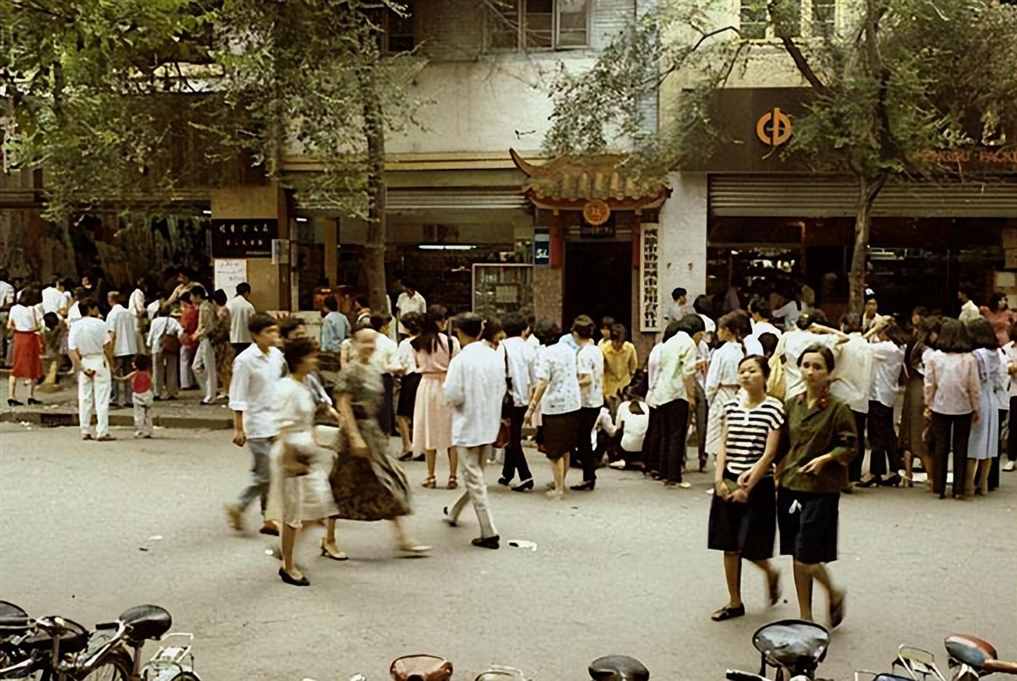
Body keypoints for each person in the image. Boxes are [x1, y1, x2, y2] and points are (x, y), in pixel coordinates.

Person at [329, 324, 430, 558]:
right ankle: (328, 539)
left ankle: (403, 538)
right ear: (354, 344)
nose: (369, 346)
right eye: (364, 341)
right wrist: (354, 436)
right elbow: (343, 404)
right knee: (340, 487)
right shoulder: (350, 371)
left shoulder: (373, 368)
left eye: (372, 341)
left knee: (389, 481)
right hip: (354, 435)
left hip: (372, 433)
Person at [778, 344, 854, 627]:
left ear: (829, 373)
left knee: (806, 556)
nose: (810, 372)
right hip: (790, 485)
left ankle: (832, 592)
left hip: (821, 489)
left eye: (818, 367)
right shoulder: (791, 405)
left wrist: (826, 459)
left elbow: (850, 446)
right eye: (806, 365)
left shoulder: (838, 409)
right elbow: (781, 446)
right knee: (796, 554)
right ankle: (805, 615)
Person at [708, 355, 784, 622]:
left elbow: (769, 453)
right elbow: (723, 445)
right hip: (730, 479)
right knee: (728, 544)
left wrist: (748, 487)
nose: (746, 375)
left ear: (765, 376)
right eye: (742, 371)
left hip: (759, 484)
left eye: (752, 371)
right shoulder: (730, 406)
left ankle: (770, 572)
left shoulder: (774, 409)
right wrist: (719, 479)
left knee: (752, 546)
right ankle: (734, 601)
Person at [264, 336, 341, 587]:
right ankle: (288, 565)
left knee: (318, 506)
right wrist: (290, 461)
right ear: (299, 360)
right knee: (292, 513)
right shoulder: (286, 388)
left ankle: (287, 547)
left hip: (306, 451)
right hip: (291, 453)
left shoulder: (303, 384)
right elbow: (283, 427)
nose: (315, 360)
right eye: (311, 356)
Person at [442, 313, 506, 549]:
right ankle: (455, 512)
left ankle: (489, 530)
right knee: (476, 475)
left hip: (467, 423)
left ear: (459, 332)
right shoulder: (495, 356)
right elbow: (501, 388)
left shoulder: (460, 360)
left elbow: (453, 394)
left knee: (474, 477)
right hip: (489, 422)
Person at [225, 313, 286, 535]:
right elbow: (238, 395)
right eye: (268, 332)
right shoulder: (245, 360)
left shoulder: (277, 356)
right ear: (255, 335)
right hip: (257, 424)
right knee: (267, 473)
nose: (273, 335)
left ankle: (269, 517)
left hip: (276, 421)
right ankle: (239, 506)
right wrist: (238, 428)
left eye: (275, 331)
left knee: (272, 471)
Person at [924, 319, 980, 499]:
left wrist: (929, 404)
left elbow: (929, 383)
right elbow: (974, 386)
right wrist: (976, 408)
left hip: (940, 405)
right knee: (961, 447)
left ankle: (939, 487)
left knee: (941, 446)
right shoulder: (969, 359)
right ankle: (958, 489)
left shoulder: (935, 357)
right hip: (963, 406)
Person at [525, 320, 581, 499]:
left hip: (555, 405)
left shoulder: (545, 354)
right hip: (573, 402)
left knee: (554, 451)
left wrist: (532, 407)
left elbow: (542, 382)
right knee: (566, 447)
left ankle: (558, 489)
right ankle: (560, 482)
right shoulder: (569, 349)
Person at [649, 314, 702, 488]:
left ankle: (664, 471)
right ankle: (674, 475)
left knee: (666, 434)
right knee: (676, 435)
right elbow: (688, 373)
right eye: (701, 335)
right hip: (678, 393)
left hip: (663, 392)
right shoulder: (688, 344)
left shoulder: (668, 342)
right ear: (696, 332)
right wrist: (691, 396)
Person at [412, 305, 460, 489]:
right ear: (440, 322)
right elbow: (456, 365)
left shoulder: (417, 343)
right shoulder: (451, 342)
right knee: (451, 431)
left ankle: (431, 476)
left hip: (426, 385)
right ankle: (453, 476)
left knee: (428, 429)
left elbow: (415, 364)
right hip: (447, 384)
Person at [857, 318, 907, 487]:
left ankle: (875, 472)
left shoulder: (887, 348)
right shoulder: (899, 347)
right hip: (888, 394)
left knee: (876, 435)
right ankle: (893, 470)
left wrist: (872, 330)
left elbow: (860, 344)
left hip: (878, 395)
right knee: (888, 434)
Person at [705, 312, 754, 468]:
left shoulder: (720, 353)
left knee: (718, 439)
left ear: (726, 330)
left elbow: (712, 382)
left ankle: (720, 472)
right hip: (740, 394)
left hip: (722, 394)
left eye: (719, 329)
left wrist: (710, 398)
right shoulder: (742, 350)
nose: (717, 333)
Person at [832, 314, 874, 488]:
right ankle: (853, 475)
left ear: (843, 325)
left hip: (841, 395)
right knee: (856, 437)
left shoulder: (842, 345)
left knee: (839, 438)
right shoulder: (868, 347)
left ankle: (840, 475)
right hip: (861, 397)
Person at [898, 316, 940, 490]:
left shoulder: (915, 346)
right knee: (923, 433)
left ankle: (908, 474)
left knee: (909, 431)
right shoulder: (930, 352)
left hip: (912, 389)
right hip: (923, 390)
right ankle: (931, 478)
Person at [966, 317, 1005, 496]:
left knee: (973, 443)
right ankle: (983, 485)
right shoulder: (995, 352)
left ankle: (968, 484)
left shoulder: (976, 354)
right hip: (992, 399)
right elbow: (998, 379)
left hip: (979, 397)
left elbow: (973, 380)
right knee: (989, 444)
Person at [499, 313, 537, 491]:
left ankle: (525, 475)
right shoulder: (529, 348)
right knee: (513, 434)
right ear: (525, 329)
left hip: (506, 398)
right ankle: (507, 473)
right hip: (523, 399)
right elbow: (534, 378)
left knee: (511, 437)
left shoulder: (501, 347)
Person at [68, 298, 115, 441]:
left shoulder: (75, 326)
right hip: (99, 360)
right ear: (90, 309)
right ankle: (102, 431)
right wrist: (112, 363)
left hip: (84, 360)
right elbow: (107, 346)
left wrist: (81, 367)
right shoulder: (101, 324)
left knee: (84, 398)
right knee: (102, 398)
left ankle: (85, 430)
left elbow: (72, 350)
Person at [572, 315, 605, 492]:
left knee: (582, 439)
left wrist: (571, 383)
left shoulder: (583, 354)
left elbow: (587, 379)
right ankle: (589, 475)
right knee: (583, 438)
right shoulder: (596, 349)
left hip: (587, 401)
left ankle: (589, 476)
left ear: (576, 334)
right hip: (596, 398)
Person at [6, 287, 43, 407]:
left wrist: (18, 327)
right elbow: (39, 325)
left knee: (16, 367)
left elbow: (9, 325)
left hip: (18, 337)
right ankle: (30, 396)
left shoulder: (14, 309)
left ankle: (11, 396)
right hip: (30, 338)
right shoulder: (33, 309)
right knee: (33, 366)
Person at [395, 311, 423, 461]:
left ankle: (407, 446)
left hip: (410, 378)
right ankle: (421, 447)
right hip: (425, 377)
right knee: (419, 414)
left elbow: (400, 363)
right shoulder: (426, 341)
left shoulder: (405, 344)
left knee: (402, 414)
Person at [608, 387, 651, 470]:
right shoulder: (646, 406)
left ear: (625, 396)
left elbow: (617, 426)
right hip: (643, 447)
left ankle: (618, 459)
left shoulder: (623, 405)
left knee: (615, 431)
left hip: (626, 447)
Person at [190, 285, 219, 406]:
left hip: (207, 339)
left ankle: (210, 395)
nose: (191, 298)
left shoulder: (205, 307)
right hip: (203, 339)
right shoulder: (205, 306)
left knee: (209, 367)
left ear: (197, 296)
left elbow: (208, 326)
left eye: (192, 296)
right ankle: (209, 391)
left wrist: (197, 334)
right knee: (196, 366)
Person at [147, 306, 183, 401]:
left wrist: (148, 345)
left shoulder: (155, 321)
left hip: (157, 347)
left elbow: (151, 334)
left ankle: (157, 392)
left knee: (157, 370)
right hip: (170, 347)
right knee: (172, 369)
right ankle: (171, 392)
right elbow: (180, 330)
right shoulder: (173, 321)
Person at [115, 354, 155, 438]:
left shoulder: (134, 373)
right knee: (148, 414)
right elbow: (151, 384)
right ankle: (149, 431)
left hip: (137, 395)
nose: (132, 363)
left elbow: (123, 379)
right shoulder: (147, 373)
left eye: (133, 362)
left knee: (138, 415)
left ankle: (140, 430)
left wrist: (114, 376)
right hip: (147, 395)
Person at [601, 323, 638, 400]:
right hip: (609, 388)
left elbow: (633, 368)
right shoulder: (603, 349)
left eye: (621, 342)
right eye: (616, 342)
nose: (619, 344)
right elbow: (601, 371)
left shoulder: (630, 348)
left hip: (625, 386)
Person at [211, 289, 235, 399]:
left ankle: (227, 390)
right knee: (223, 368)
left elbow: (218, 327)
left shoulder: (222, 312)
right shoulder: (225, 310)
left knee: (224, 368)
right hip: (225, 341)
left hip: (222, 343)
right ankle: (226, 389)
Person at [227, 282, 256, 357]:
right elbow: (253, 322)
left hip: (232, 338)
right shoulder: (249, 306)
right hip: (246, 339)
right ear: (246, 292)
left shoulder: (229, 304)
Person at [178, 290, 198, 390]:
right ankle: (193, 381)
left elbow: (184, 326)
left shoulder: (186, 312)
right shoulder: (196, 310)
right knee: (192, 361)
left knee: (184, 362)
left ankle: (185, 383)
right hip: (195, 338)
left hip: (187, 338)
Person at [1004, 325, 1017, 474]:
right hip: (1014, 391)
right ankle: (1011, 458)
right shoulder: (1007, 348)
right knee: (1014, 426)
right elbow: (1007, 368)